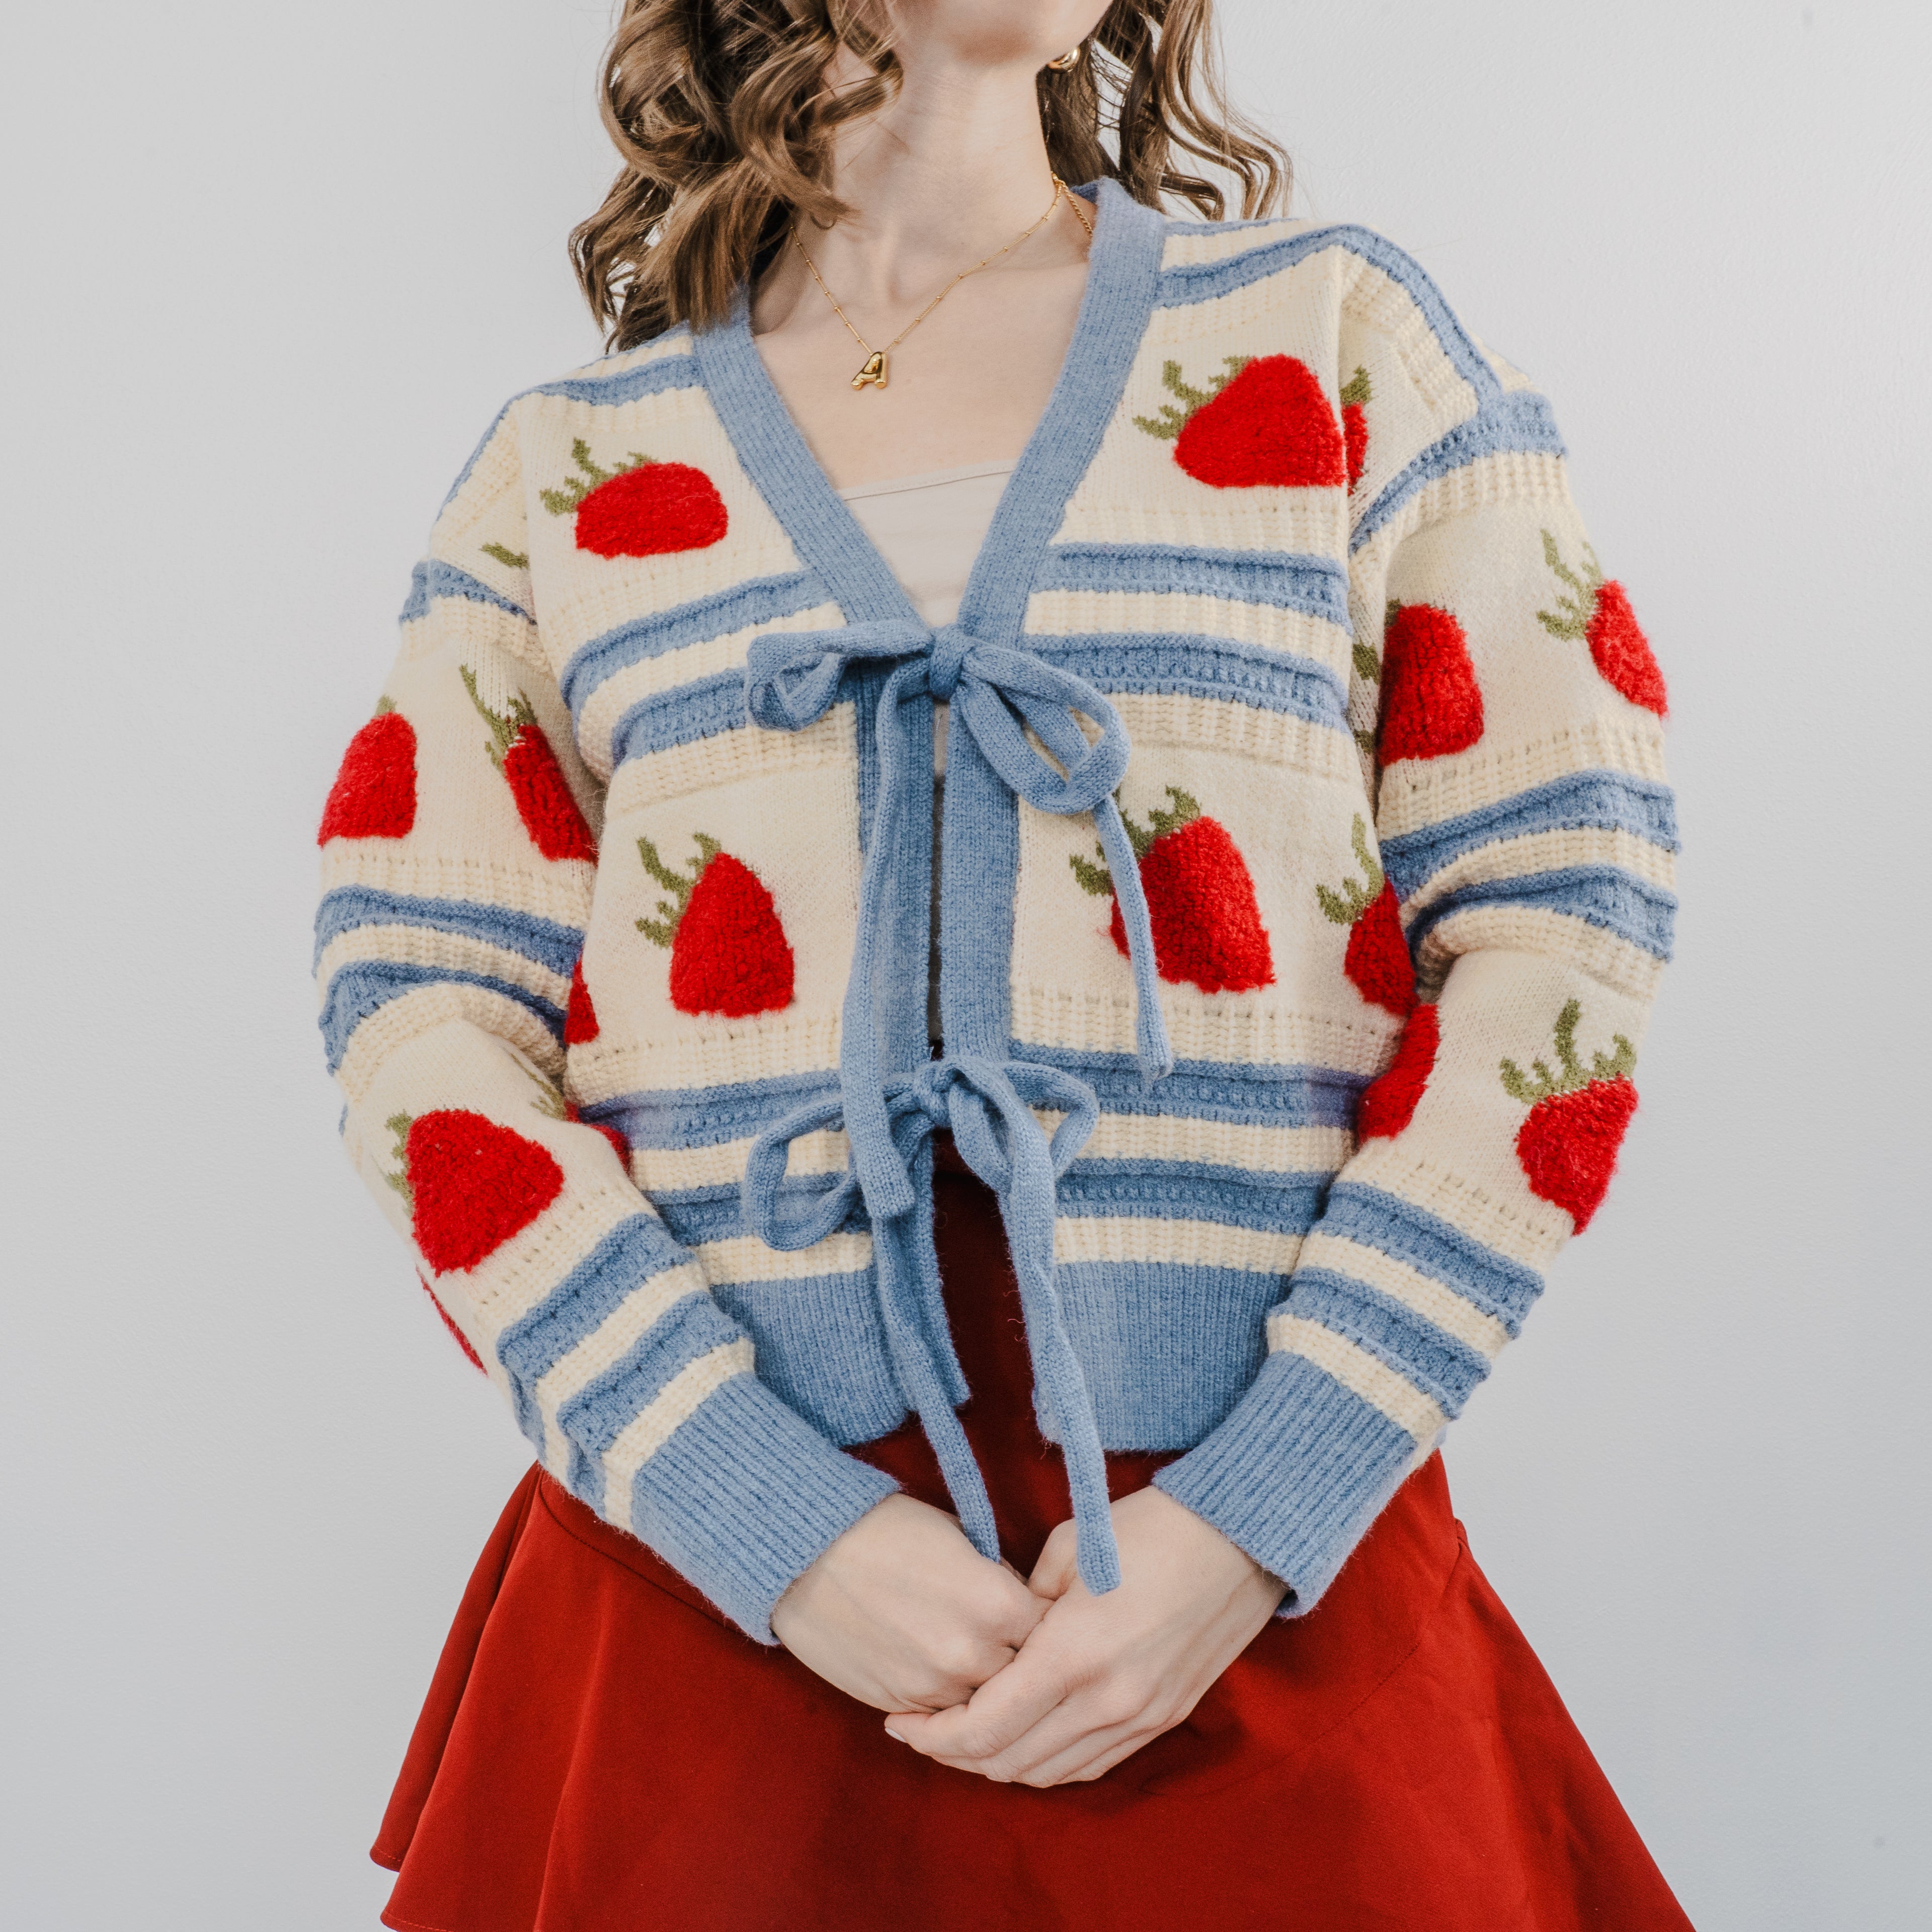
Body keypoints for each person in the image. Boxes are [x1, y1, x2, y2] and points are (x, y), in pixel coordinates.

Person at [316, 2, 1691, 1924]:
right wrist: (768, 1519)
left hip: (1255, 1558)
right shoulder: (563, 475)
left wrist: (1264, 1503)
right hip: (721, 1596)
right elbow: (421, 1014)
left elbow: (1565, 927)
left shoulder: (1342, 342)